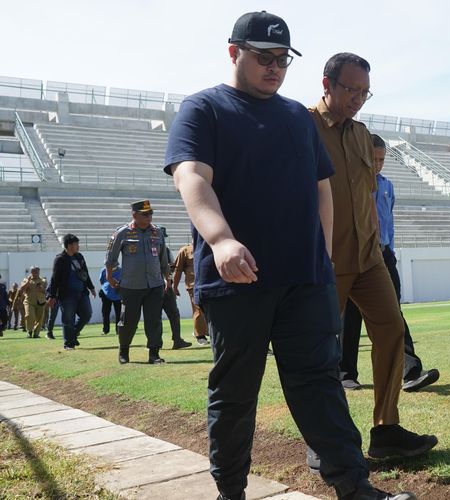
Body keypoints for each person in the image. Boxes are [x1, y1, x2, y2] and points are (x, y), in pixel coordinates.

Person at [164, 11, 415, 500]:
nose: (275, 67)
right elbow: (190, 176)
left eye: (283, 59)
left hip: (305, 278)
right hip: (238, 282)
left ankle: (354, 486)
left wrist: (322, 253)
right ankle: (230, 491)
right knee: (236, 392)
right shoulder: (204, 109)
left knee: (320, 384)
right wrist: (220, 240)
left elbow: (322, 188)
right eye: (264, 57)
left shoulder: (296, 118)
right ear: (234, 52)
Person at [310, 53, 437, 459]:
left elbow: (365, 195)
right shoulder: (302, 125)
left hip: (369, 257)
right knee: (320, 349)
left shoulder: (364, 135)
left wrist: (378, 246)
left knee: (391, 332)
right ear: (326, 83)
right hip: (325, 260)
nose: (358, 99)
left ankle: (386, 429)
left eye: (365, 92)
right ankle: (322, 439)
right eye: (351, 89)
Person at [339, 135, 439, 392]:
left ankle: (410, 371)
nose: (377, 164)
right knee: (349, 317)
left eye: (381, 159)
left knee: (393, 312)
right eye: (373, 159)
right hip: (353, 253)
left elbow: (389, 223)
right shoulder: (349, 184)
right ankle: (344, 373)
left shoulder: (387, 187)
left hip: (381, 255)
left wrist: (389, 252)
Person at [105, 200, 170, 365]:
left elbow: (163, 258)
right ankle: (124, 350)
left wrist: (166, 277)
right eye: (145, 214)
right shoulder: (123, 233)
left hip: (154, 284)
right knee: (128, 320)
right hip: (131, 286)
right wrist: (110, 276)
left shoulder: (157, 232)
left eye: (151, 213)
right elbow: (111, 257)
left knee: (154, 320)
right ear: (134, 215)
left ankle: (154, 354)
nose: (149, 217)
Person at [46, 233, 96, 350]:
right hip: (66, 294)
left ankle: (72, 335)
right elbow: (55, 279)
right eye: (76, 244)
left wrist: (91, 287)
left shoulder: (80, 257)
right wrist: (52, 296)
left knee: (86, 314)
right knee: (68, 318)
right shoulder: (60, 259)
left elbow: (85, 273)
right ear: (69, 245)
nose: (78, 246)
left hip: (82, 292)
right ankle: (69, 343)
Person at [172, 242, 209, 345]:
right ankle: (200, 336)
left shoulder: (208, 246)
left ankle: (204, 331)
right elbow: (178, 270)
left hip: (209, 283)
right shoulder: (185, 250)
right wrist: (174, 287)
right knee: (198, 309)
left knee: (210, 310)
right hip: (194, 285)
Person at [161, 236, 192, 350]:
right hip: (159, 285)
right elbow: (171, 267)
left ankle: (176, 340)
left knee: (171, 314)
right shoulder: (164, 249)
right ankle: (157, 343)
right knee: (166, 314)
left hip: (163, 285)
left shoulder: (165, 249)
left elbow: (172, 267)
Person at [14, 267, 47, 338]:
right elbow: (21, 290)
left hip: (40, 301)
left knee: (40, 318)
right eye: (33, 272)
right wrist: (28, 282)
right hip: (29, 301)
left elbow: (46, 292)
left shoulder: (43, 280)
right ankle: (29, 331)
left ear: (39, 272)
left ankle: (36, 333)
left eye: (36, 272)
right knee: (29, 316)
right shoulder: (25, 280)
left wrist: (41, 289)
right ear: (31, 272)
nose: (34, 273)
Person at [99, 265, 122, 335]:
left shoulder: (121, 270)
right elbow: (101, 281)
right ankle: (105, 330)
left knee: (119, 313)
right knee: (105, 313)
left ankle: (118, 330)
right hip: (106, 294)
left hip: (118, 295)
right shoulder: (103, 270)